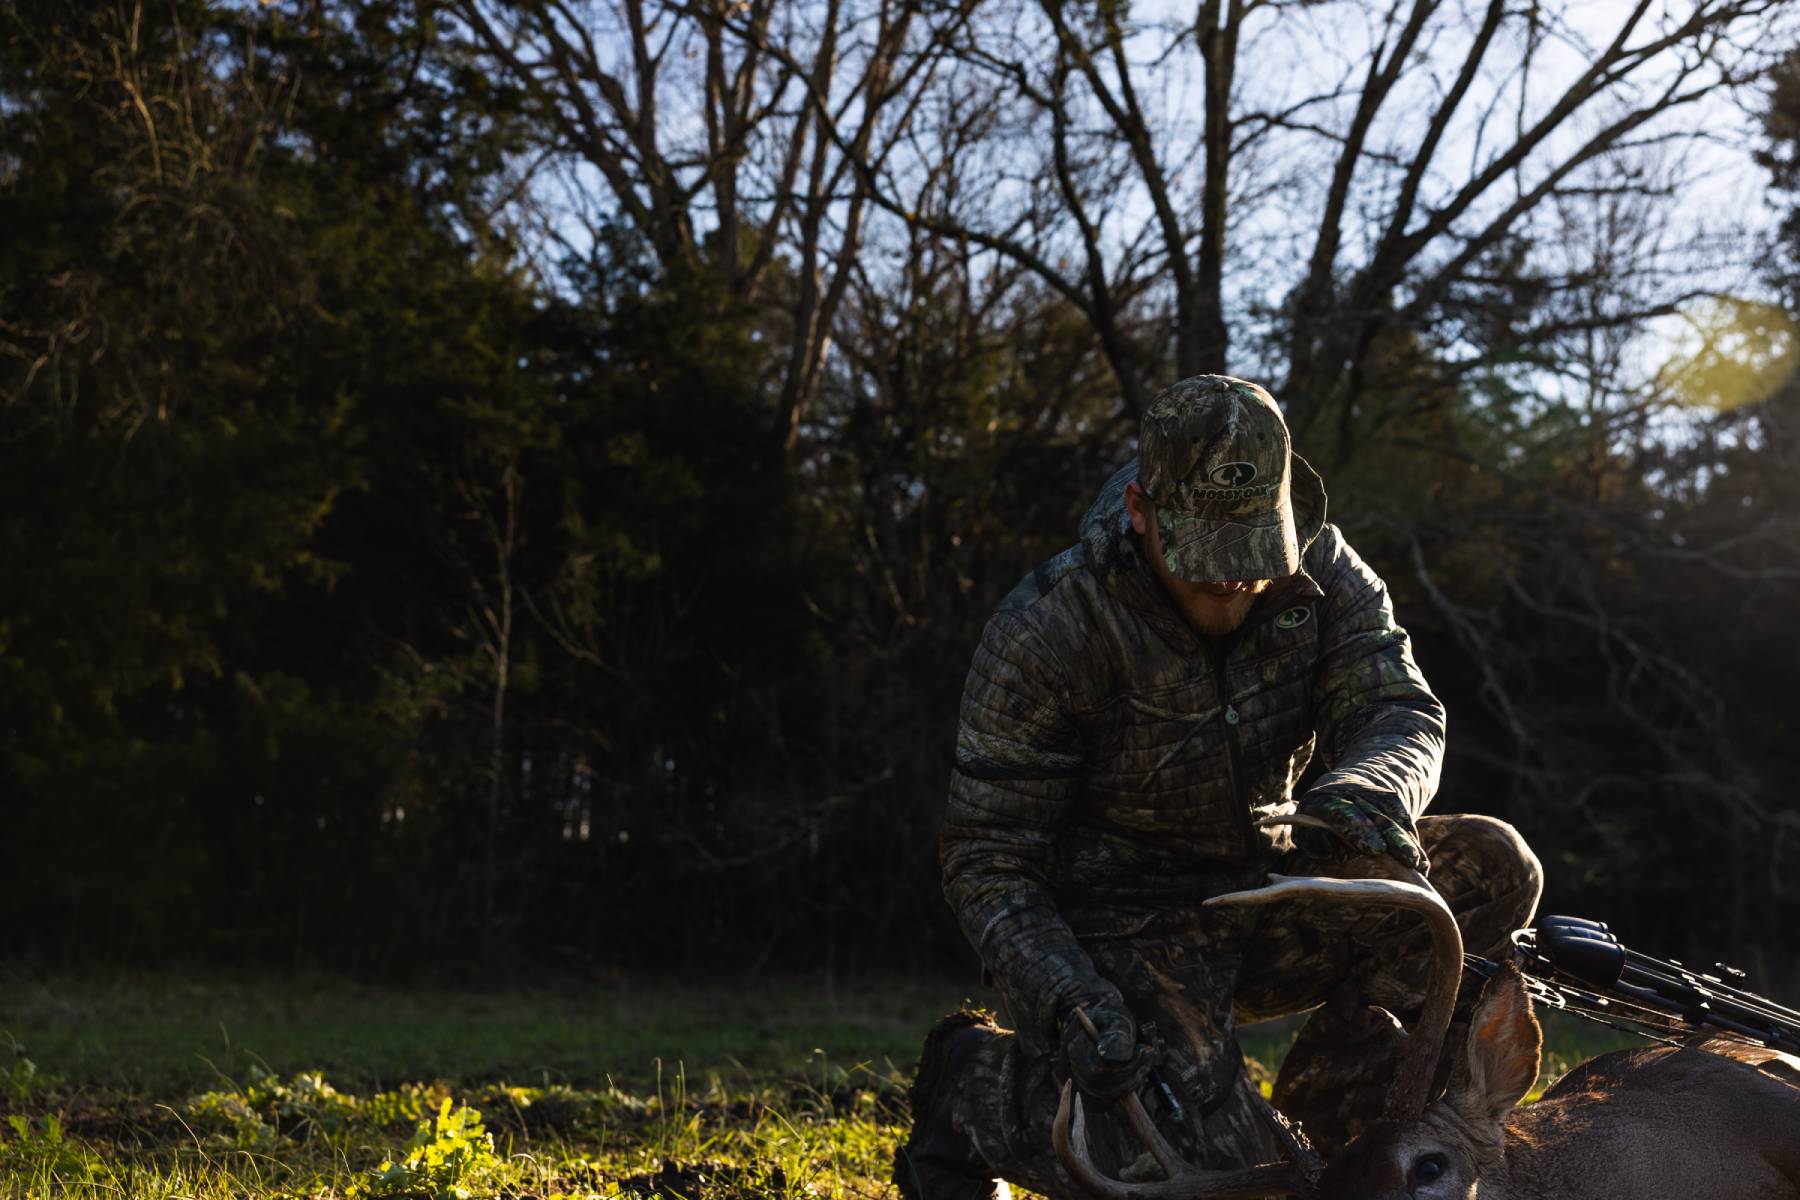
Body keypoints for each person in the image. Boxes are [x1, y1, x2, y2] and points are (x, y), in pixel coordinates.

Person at [894, 375, 1543, 1200]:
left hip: (1275, 888)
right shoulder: (1050, 630)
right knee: (1215, 1176)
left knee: (1492, 869)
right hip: (1123, 936)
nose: (1237, 583)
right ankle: (973, 1086)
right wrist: (1066, 999)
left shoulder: (1326, 569)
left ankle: (1337, 1130)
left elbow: (1398, 705)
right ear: (1140, 511)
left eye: (1256, 556)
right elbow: (988, 861)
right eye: (1209, 563)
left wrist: (1369, 795)